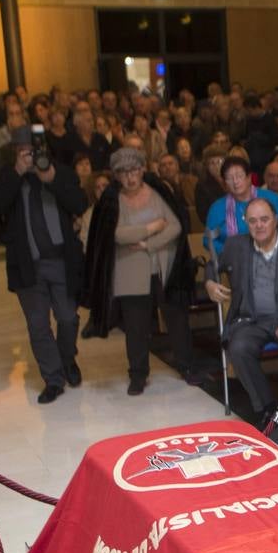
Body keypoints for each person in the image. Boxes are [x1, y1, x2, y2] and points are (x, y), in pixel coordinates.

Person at [0, 126, 88, 404]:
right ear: (15, 152)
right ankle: (53, 379)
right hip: (28, 266)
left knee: (68, 318)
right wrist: (17, 173)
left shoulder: (60, 171)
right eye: (23, 151)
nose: (29, 156)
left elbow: (80, 203)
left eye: (33, 150)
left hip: (61, 262)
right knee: (38, 325)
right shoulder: (8, 176)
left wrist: (52, 179)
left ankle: (67, 360)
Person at [84, 147, 196, 395]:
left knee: (177, 319)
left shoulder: (158, 192)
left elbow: (176, 226)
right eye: (123, 173)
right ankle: (137, 374)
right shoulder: (112, 200)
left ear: (142, 169)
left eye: (134, 170)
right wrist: (151, 227)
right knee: (136, 327)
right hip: (129, 272)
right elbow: (115, 233)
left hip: (164, 268)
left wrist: (148, 243)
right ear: (116, 176)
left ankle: (186, 366)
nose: (130, 177)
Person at [206, 199, 278, 420]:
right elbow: (212, 265)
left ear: (275, 219)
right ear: (246, 223)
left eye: (264, 219)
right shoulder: (236, 246)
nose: (259, 225)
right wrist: (210, 283)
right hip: (253, 320)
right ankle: (267, 407)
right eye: (252, 221)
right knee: (238, 347)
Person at [204, 155, 278, 257]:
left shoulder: (270, 198)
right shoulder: (217, 208)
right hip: (233, 263)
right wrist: (228, 251)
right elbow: (207, 240)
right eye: (229, 178)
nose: (235, 182)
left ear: (249, 178)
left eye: (239, 176)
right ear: (225, 183)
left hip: (271, 258)